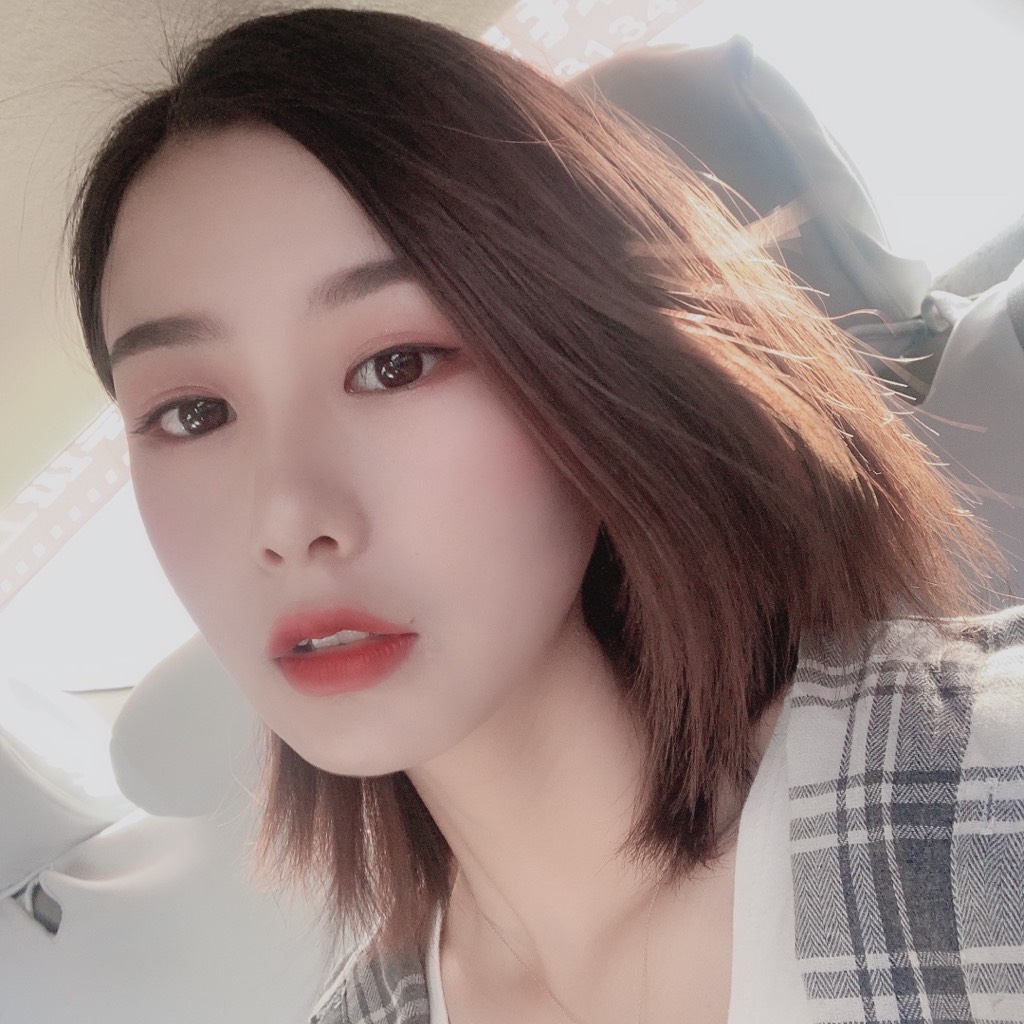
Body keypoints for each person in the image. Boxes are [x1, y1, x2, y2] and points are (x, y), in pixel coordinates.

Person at [67, 8, 1024, 1023]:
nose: (289, 515)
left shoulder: (986, 790)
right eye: (193, 413)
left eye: (395, 364)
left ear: (581, 358)